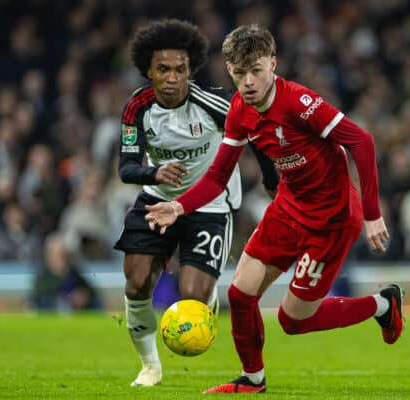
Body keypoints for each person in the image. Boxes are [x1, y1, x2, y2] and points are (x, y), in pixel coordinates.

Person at [146, 24, 404, 394]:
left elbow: (360, 141)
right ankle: (252, 378)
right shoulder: (239, 108)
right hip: (289, 206)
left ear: (273, 64)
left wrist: (372, 213)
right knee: (239, 293)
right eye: (239, 72)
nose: (248, 81)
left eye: (256, 71)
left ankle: (382, 304)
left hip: (330, 219)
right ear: (230, 71)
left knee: (293, 320)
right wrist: (178, 206)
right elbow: (218, 175)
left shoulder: (298, 102)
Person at [113, 20, 278, 387]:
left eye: (180, 69)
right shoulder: (137, 108)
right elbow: (126, 168)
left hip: (209, 205)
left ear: (191, 70)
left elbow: (258, 136)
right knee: (137, 283)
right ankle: (149, 365)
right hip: (158, 200)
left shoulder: (214, 103)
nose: (172, 78)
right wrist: (155, 175)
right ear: (149, 71)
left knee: (193, 298)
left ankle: (206, 297)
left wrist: (271, 182)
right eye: (163, 69)